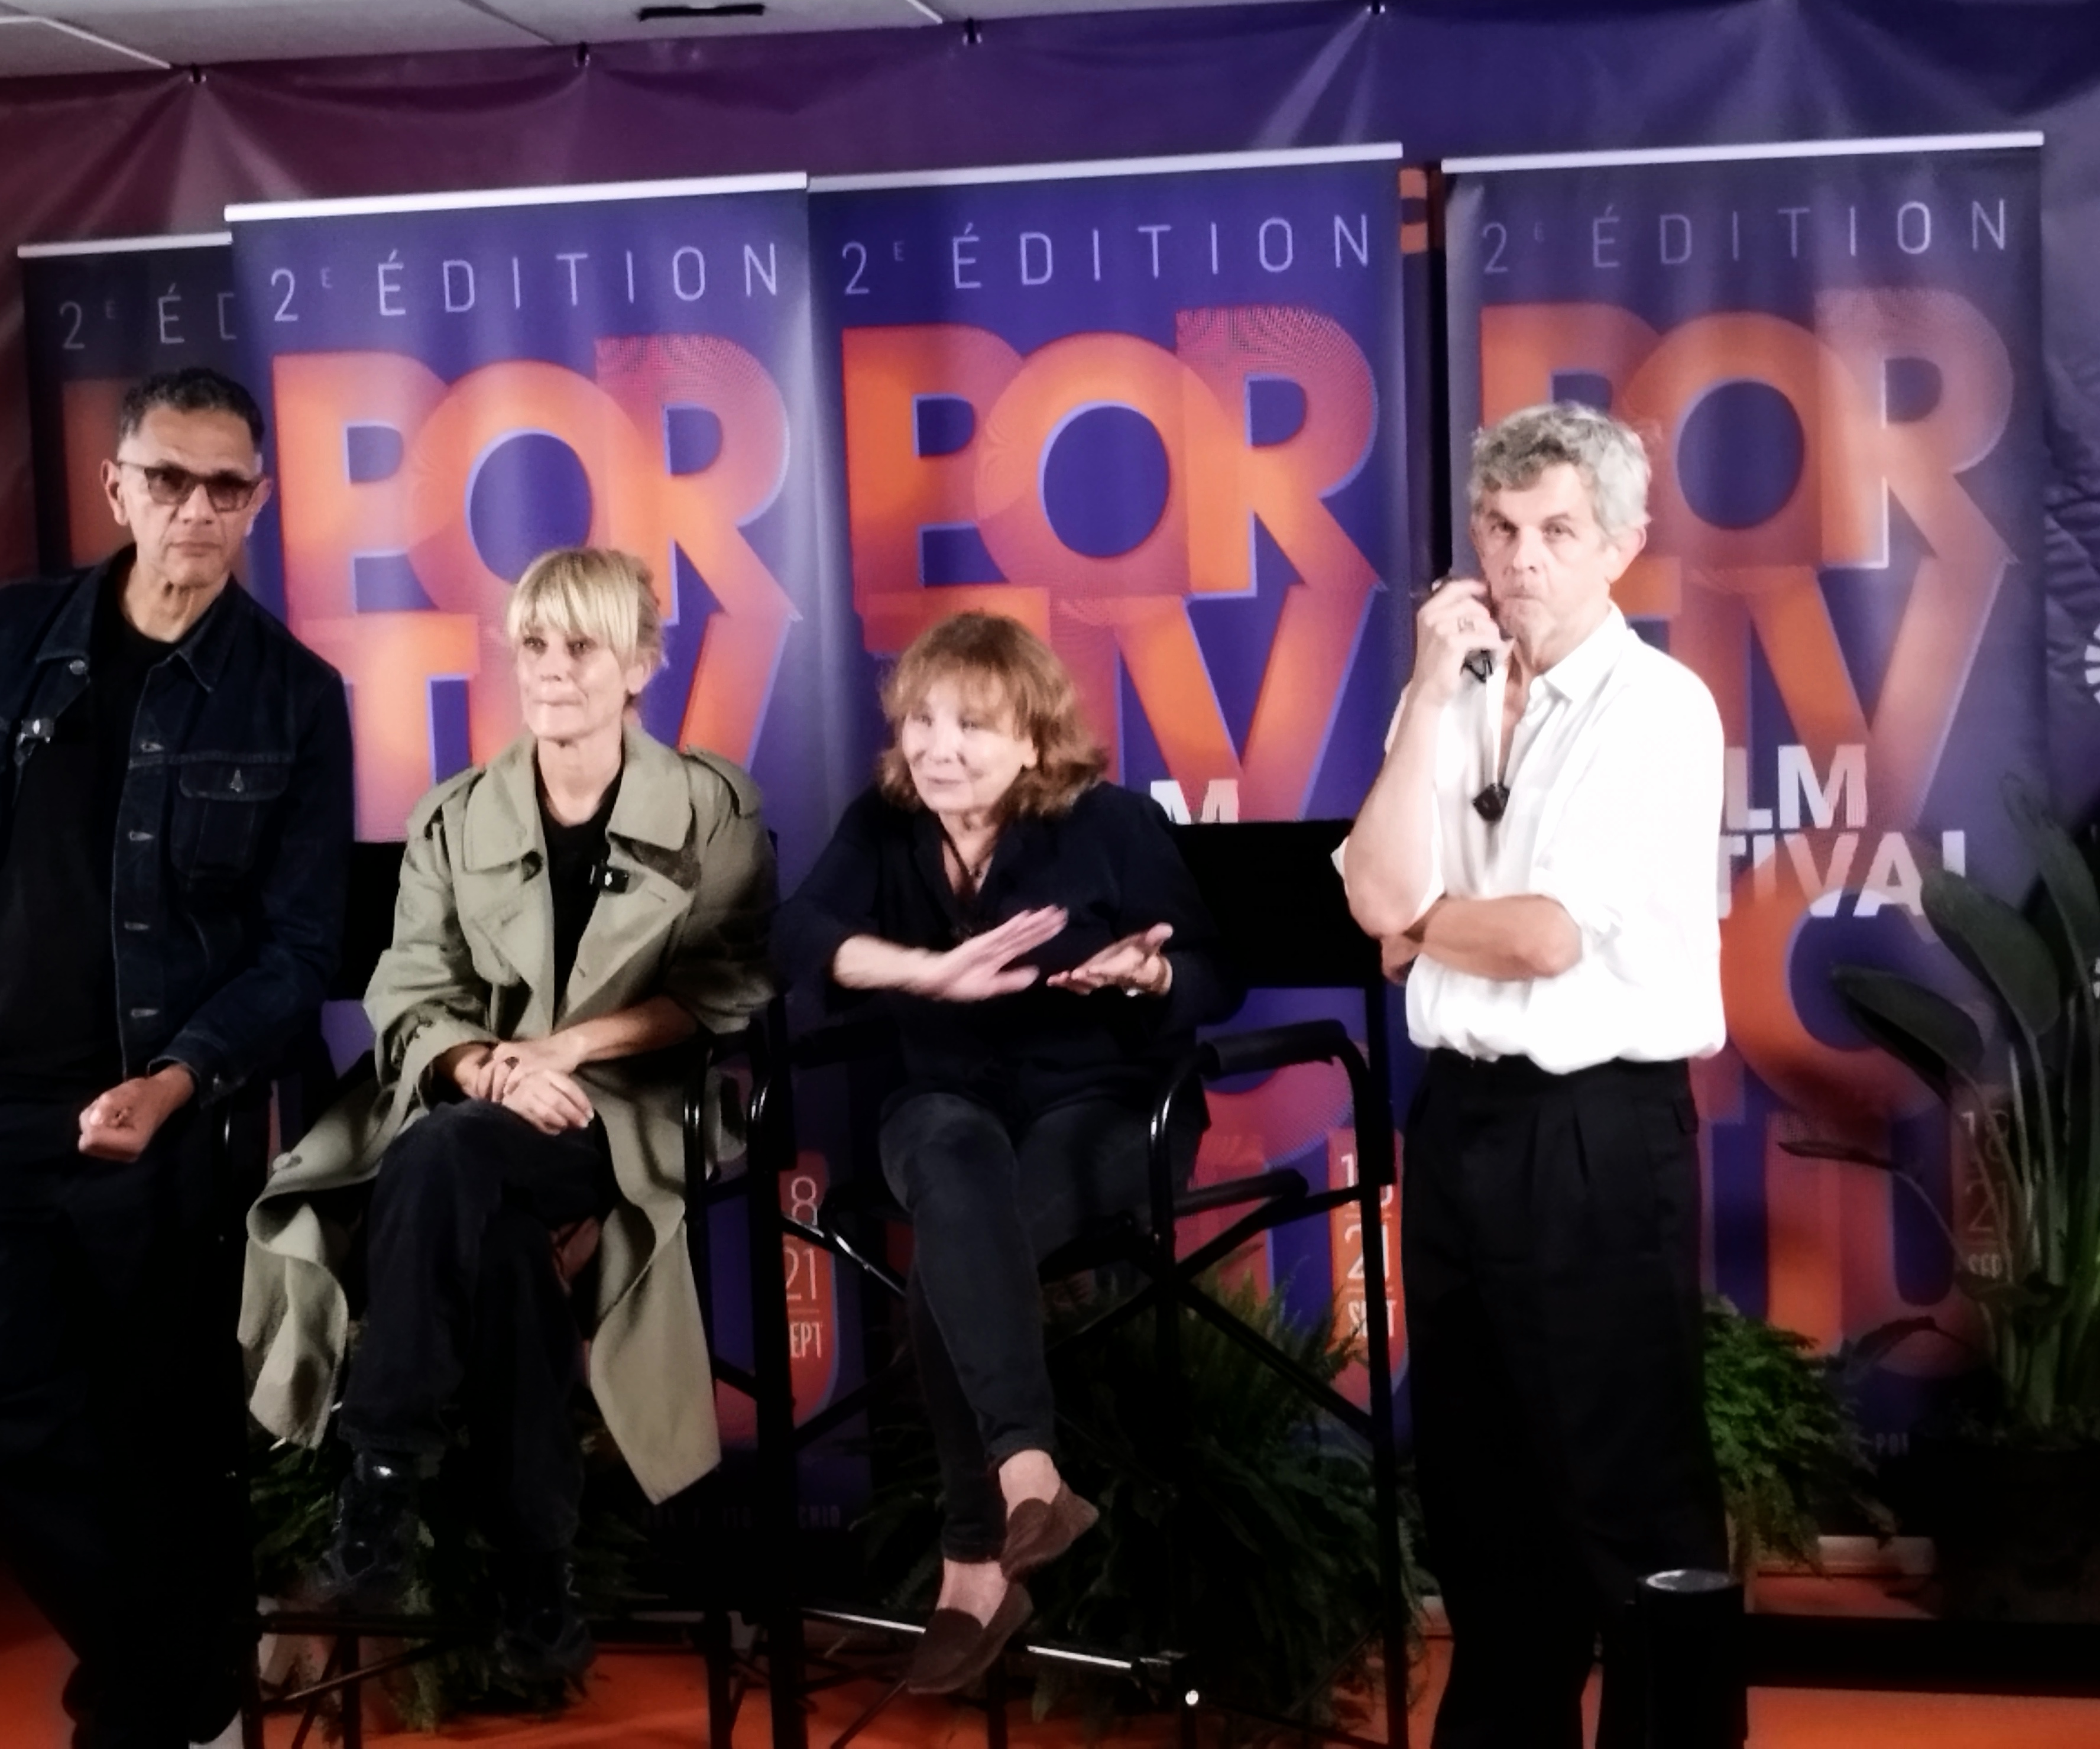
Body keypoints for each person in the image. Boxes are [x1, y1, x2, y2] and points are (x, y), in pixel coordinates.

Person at [0, 367, 354, 1749]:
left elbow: (299, 946)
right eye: (169, 479)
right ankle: (184, 1678)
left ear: (257, 500)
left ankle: (149, 1717)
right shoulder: (5, 635)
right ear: (118, 487)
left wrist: (183, 1079)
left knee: (165, 1434)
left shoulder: (292, 696)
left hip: (159, 1105)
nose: (195, 511)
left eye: (226, 487)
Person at [240, 546, 774, 1683]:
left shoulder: (714, 806)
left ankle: (378, 1488)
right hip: (475, 1117)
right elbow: (409, 987)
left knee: (444, 1167)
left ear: (639, 665)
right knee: (489, 1233)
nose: (553, 670)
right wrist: (487, 1067)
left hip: (619, 1121)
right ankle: (541, 1597)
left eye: (582, 646)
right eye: (534, 643)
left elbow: (727, 985)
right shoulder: (456, 815)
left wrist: (567, 1049)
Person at [1340, 403, 1728, 1749]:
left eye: (1557, 531)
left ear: (1619, 545)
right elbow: (1368, 888)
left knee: (1624, 1486)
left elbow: (1543, 936)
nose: (1520, 561)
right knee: (1478, 1486)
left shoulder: (1657, 708)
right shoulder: (1442, 688)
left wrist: (1414, 928)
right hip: (1459, 1121)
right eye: (1499, 531)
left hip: (1596, 1129)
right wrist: (1418, 708)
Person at [776, 611, 1243, 1695]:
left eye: (973, 726)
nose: (939, 748)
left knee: (961, 1238)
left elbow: (1219, 976)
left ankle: (974, 1561)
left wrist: (1150, 978)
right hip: (949, 1100)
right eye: (924, 721)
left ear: (1034, 739)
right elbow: (794, 936)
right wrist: (920, 973)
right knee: (946, 1163)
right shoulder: (886, 826)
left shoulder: (1110, 823)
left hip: (1111, 1108)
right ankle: (1032, 1475)